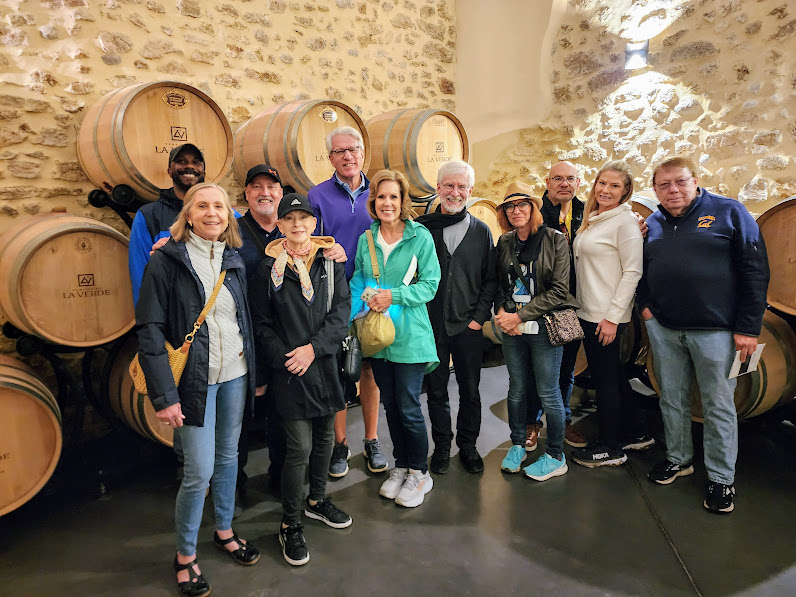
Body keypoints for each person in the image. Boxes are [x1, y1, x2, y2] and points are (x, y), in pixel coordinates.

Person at [135, 183, 259, 597]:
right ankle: (185, 555)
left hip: (236, 376)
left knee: (228, 459)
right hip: (192, 382)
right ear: (187, 214)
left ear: (229, 216)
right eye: (202, 206)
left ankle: (224, 530)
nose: (212, 213)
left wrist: (253, 370)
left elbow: (244, 320)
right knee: (198, 472)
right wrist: (164, 395)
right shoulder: (166, 262)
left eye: (219, 207)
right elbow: (150, 330)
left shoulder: (234, 258)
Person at [638, 156, 769, 514]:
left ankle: (721, 479)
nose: (673, 190)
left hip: (717, 331)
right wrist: (647, 309)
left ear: (696, 181)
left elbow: (755, 271)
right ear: (655, 190)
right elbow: (639, 270)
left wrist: (747, 327)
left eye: (679, 182)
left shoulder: (729, 212)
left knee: (718, 405)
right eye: (664, 185)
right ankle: (679, 459)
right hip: (665, 328)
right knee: (672, 398)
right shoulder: (653, 222)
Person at [250, 192, 353, 565]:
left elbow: (342, 312)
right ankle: (289, 523)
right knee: (299, 449)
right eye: (289, 219)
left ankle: (317, 499)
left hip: (324, 364)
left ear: (314, 224)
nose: (297, 225)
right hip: (290, 371)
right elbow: (260, 323)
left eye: (304, 219)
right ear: (279, 226)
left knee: (326, 437)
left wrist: (315, 348)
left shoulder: (330, 263)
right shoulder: (267, 269)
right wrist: (285, 357)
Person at [349, 169, 441, 507]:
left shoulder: (420, 237)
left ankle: (420, 472)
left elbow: (430, 285)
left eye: (394, 197)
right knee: (390, 405)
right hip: (376, 334)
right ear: (373, 201)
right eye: (381, 197)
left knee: (408, 406)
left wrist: (394, 296)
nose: (387, 203)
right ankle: (401, 466)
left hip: (410, 333)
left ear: (403, 202)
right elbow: (359, 277)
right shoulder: (366, 239)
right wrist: (361, 297)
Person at [308, 126, 387, 478]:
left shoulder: (380, 192)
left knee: (369, 369)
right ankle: (341, 442)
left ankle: (371, 438)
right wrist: (328, 247)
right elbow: (307, 244)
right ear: (330, 158)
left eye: (353, 149)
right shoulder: (317, 195)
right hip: (336, 294)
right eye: (339, 151)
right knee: (339, 369)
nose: (348, 156)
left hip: (372, 293)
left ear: (362, 153)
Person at [415, 160, 496, 475]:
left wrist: (478, 318)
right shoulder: (422, 228)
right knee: (435, 390)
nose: (455, 192)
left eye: (462, 186)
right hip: (431, 327)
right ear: (438, 188)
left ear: (470, 191)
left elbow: (489, 279)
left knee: (470, 390)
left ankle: (469, 446)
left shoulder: (481, 231)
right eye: (449, 185)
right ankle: (442, 446)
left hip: (467, 327)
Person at [494, 181, 577, 482]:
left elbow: (559, 291)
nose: (516, 211)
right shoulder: (504, 242)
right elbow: (499, 284)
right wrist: (504, 313)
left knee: (548, 392)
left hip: (544, 325)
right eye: (510, 206)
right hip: (513, 328)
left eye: (522, 205)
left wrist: (519, 316)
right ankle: (517, 444)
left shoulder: (555, 239)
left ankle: (555, 455)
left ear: (533, 208)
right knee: (517, 389)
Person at [570, 161, 646, 468]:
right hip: (590, 310)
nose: (606, 190)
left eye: (615, 185)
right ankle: (636, 433)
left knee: (605, 382)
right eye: (602, 183)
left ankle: (610, 447)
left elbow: (633, 271)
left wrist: (613, 318)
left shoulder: (625, 223)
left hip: (604, 316)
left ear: (626, 190)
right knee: (612, 376)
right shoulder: (597, 218)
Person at [523, 161, 588, 451]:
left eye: (570, 179)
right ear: (547, 182)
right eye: (558, 179)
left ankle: (561, 421)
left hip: (570, 306)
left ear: (578, 182)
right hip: (539, 303)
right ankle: (532, 422)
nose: (564, 184)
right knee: (535, 368)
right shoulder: (535, 213)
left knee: (565, 369)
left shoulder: (588, 212)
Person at [237, 164, 287, 497]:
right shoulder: (232, 230)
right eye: (256, 186)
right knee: (237, 422)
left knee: (282, 415)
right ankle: (234, 486)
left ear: (281, 193)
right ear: (246, 195)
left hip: (283, 338)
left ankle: (281, 478)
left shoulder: (293, 229)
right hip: (243, 339)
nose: (264, 192)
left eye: (271, 186)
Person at [129, 143, 205, 305]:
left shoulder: (225, 215)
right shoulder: (148, 215)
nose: (189, 166)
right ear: (169, 170)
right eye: (182, 161)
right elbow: (140, 275)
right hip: (172, 316)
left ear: (203, 171)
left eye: (196, 162)